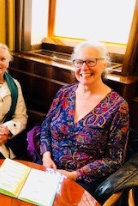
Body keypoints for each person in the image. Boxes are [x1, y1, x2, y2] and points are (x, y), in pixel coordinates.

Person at [39, 41, 129, 195]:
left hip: (84, 181)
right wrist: (46, 157)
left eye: (91, 61)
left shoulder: (118, 106)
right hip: (49, 169)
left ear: (104, 65)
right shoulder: (64, 93)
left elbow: (114, 159)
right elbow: (45, 127)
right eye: (79, 62)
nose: (84, 68)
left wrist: (75, 175)